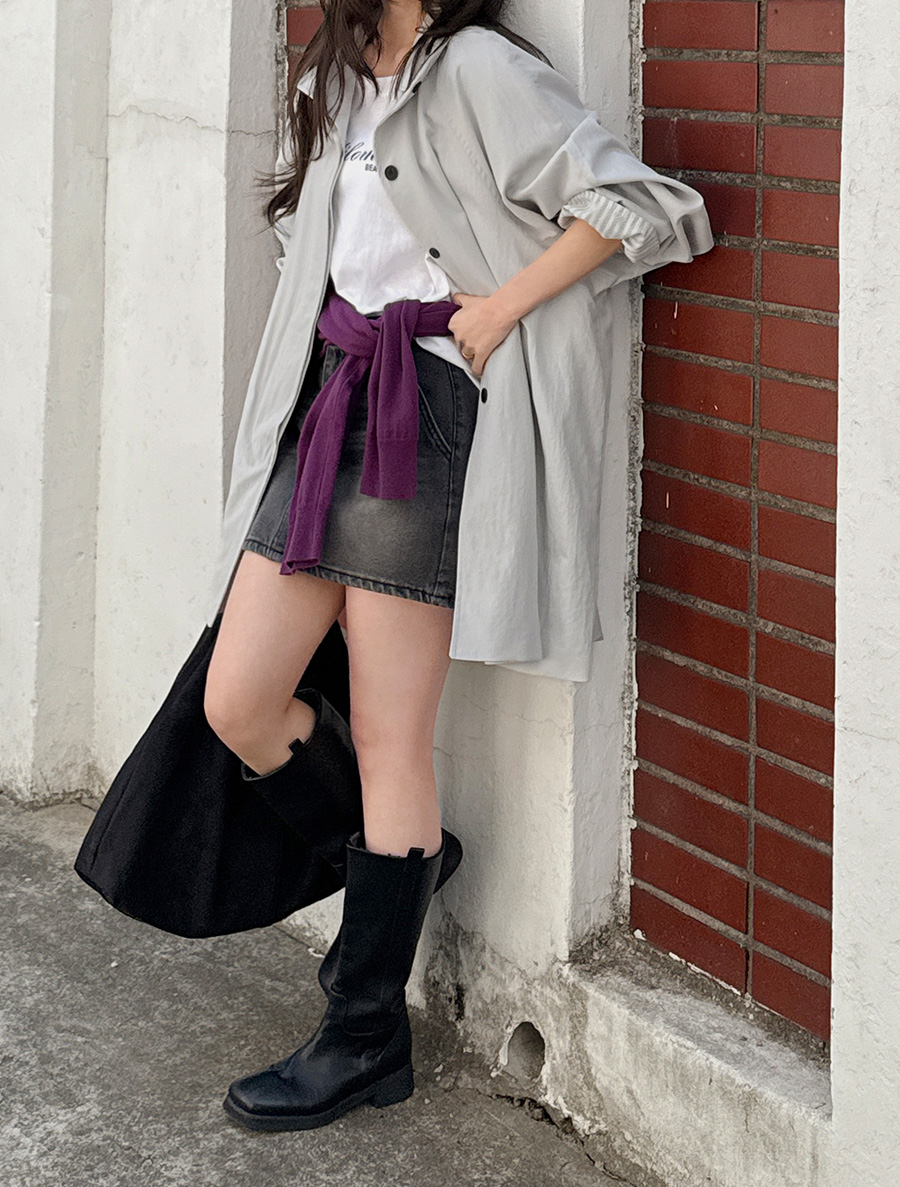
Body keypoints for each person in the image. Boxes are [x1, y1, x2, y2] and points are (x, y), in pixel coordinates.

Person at [206, 0, 712, 1133]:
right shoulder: (338, 75)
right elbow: (318, 247)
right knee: (238, 698)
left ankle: (364, 1032)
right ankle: (403, 861)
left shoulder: (476, 67)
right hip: (329, 404)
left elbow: (641, 205)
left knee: (393, 737)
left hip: (421, 413)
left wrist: (499, 310)